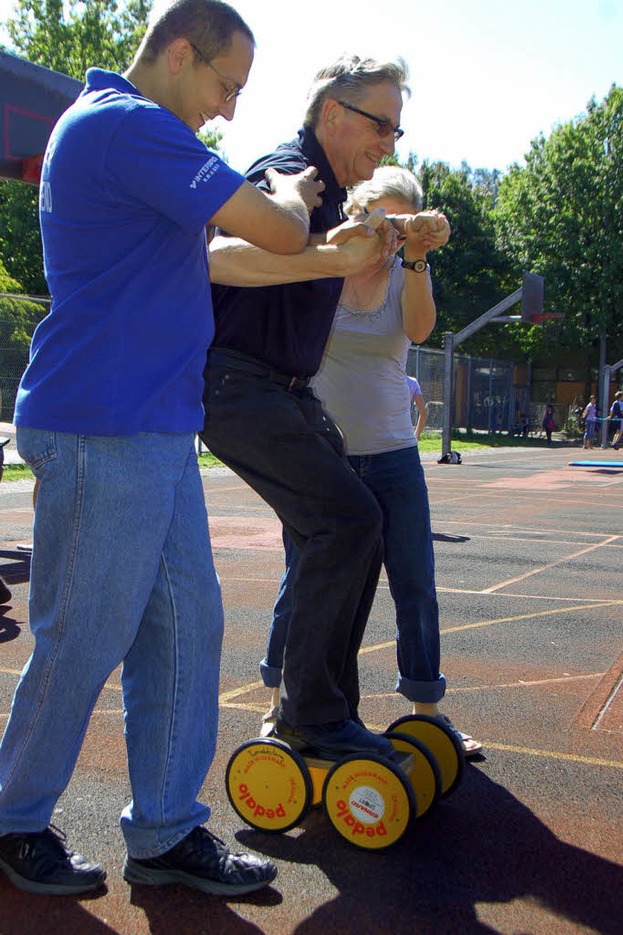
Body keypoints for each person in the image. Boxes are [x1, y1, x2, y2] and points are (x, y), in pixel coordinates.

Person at [0, 0, 324, 899]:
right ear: (178, 52)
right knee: (85, 635)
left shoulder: (123, 136)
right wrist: (296, 188)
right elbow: (277, 228)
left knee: (184, 628)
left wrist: (338, 253)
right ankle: (13, 816)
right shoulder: (129, 125)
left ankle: (167, 829)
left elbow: (230, 256)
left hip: (151, 424)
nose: (226, 108)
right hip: (105, 424)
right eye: (225, 84)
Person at [202, 55, 421, 765]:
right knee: (347, 519)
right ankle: (310, 715)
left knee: (361, 521)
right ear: (333, 114)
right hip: (238, 383)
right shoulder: (289, 170)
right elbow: (228, 244)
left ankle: (327, 710)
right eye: (380, 124)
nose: (389, 141)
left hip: (283, 388)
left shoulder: (337, 194)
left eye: (396, 128)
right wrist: (318, 239)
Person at [257, 166, 481, 757]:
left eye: (401, 222)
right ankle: (279, 704)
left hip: (392, 456)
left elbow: (421, 327)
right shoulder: (327, 262)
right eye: (381, 217)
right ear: (357, 213)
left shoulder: (408, 272)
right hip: (322, 457)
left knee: (415, 583)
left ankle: (428, 714)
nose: (389, 231)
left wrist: (416, 259)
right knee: (303, 582)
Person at [407, 374, 427, 439]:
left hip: (381, 440)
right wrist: (415, 437)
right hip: (406, 440)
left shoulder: (378, 381)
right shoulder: (412, 382)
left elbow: (423, 414)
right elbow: (423, 413)